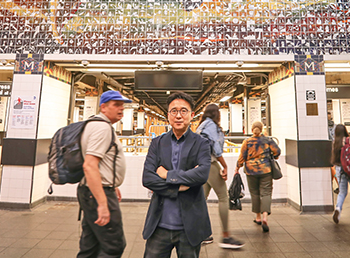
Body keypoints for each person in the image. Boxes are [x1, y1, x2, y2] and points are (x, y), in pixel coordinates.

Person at [142, 92, 212, 258]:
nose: (178, 115)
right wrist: (180, 186)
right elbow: (147, 178)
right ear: (168, 115)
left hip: (190, 226)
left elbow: (202, 175)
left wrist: (167, 175)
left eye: (183, 111)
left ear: (192, 115)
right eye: (174, 111)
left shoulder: (201, 143)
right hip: (159, 225)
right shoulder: (157, 143)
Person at [77, 90, 129, 258]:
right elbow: (90, 166)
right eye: (116, 105)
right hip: (98, 194)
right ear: (104, 107)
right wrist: (102, 203)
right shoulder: (102, 128)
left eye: (122, 105)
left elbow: (101, 164)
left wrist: (112, 184)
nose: (121, 109)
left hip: (93, 190)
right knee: (114, 245)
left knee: (90, 246)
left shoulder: (93, 124)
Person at [196, 104, 243, 249]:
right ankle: (226, 236)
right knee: (224, 197)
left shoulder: (201, 125)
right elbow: (216, 150)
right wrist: (225, 166)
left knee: (200, 200)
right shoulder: (210, 126)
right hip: (210, 165)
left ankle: (198, 235)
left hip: (201, 166)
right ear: (216, 114)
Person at [235, 120, 281, 233]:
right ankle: (265, 217)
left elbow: (242, 156)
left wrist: (237, 167)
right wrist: (274, 156)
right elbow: (277, 152)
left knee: (255, 193)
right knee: (266, 192)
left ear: (252, 130)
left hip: (251, 171)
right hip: (265, 169)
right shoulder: (268, 141)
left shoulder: (247, 141)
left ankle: (258, 217)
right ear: (262, 130)